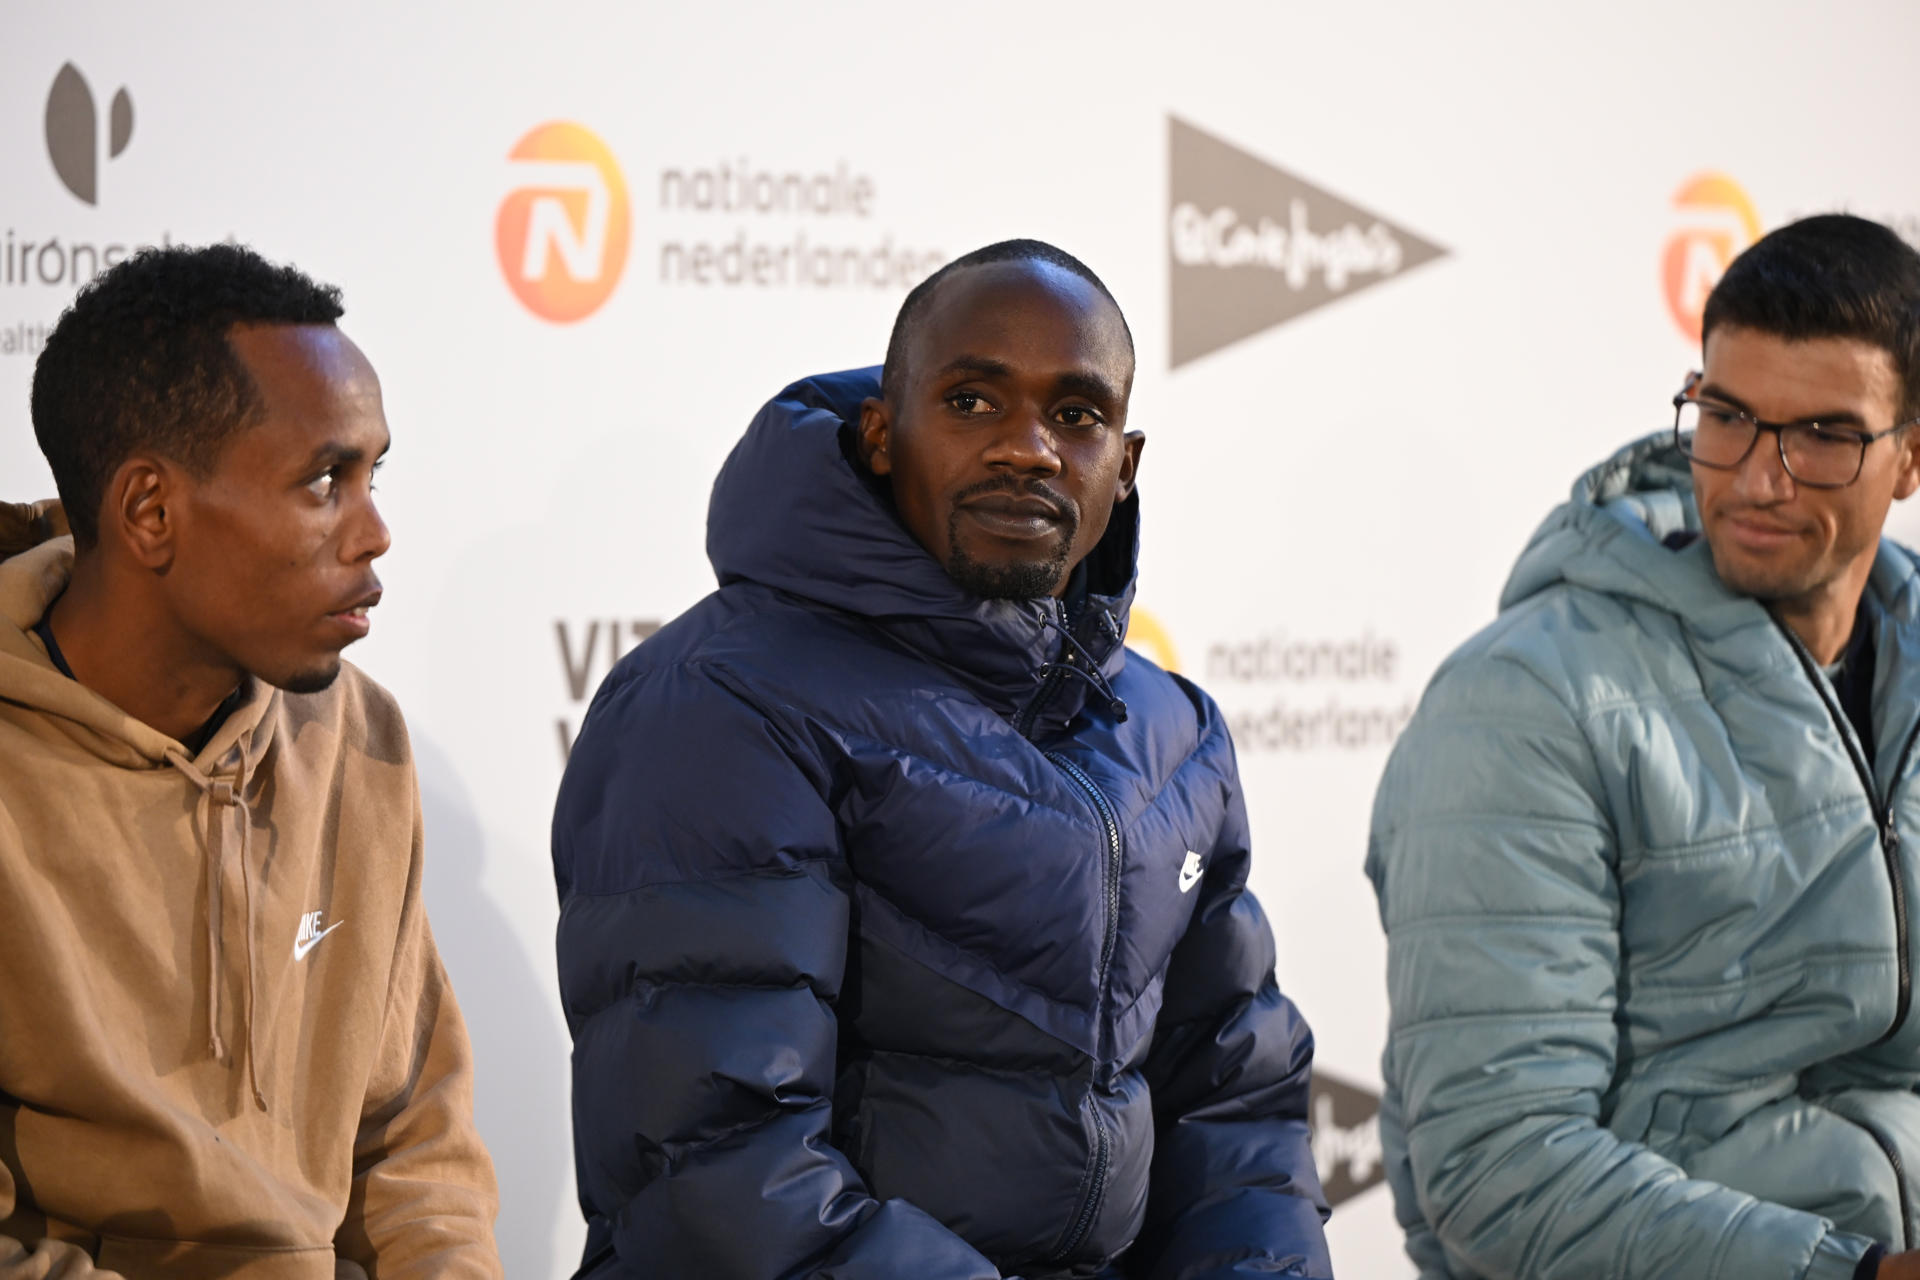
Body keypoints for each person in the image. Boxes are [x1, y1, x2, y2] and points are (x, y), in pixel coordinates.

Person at [552, 239, 1332, 1279]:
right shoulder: (721, 698)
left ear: (1125, 461)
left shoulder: (1174, 732)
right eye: (972, 402)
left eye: (1076, 414)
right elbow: (717, 1164)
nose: (1029, 449)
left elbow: (1237, 1109)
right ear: (883, 433)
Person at [1367, 214, 1920, 1280]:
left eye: (1823, 435)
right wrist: (1851, 1272)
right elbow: (1499, 1168)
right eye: (1728, 415)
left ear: (1909, 459)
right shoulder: (1526, 699)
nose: (1761, 477)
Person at [0, 243, 502, 1278]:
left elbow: (413, 1140)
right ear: (150, 512)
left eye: (375, 472)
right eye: (325, 480)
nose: (376, 532)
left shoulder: (360, 734)